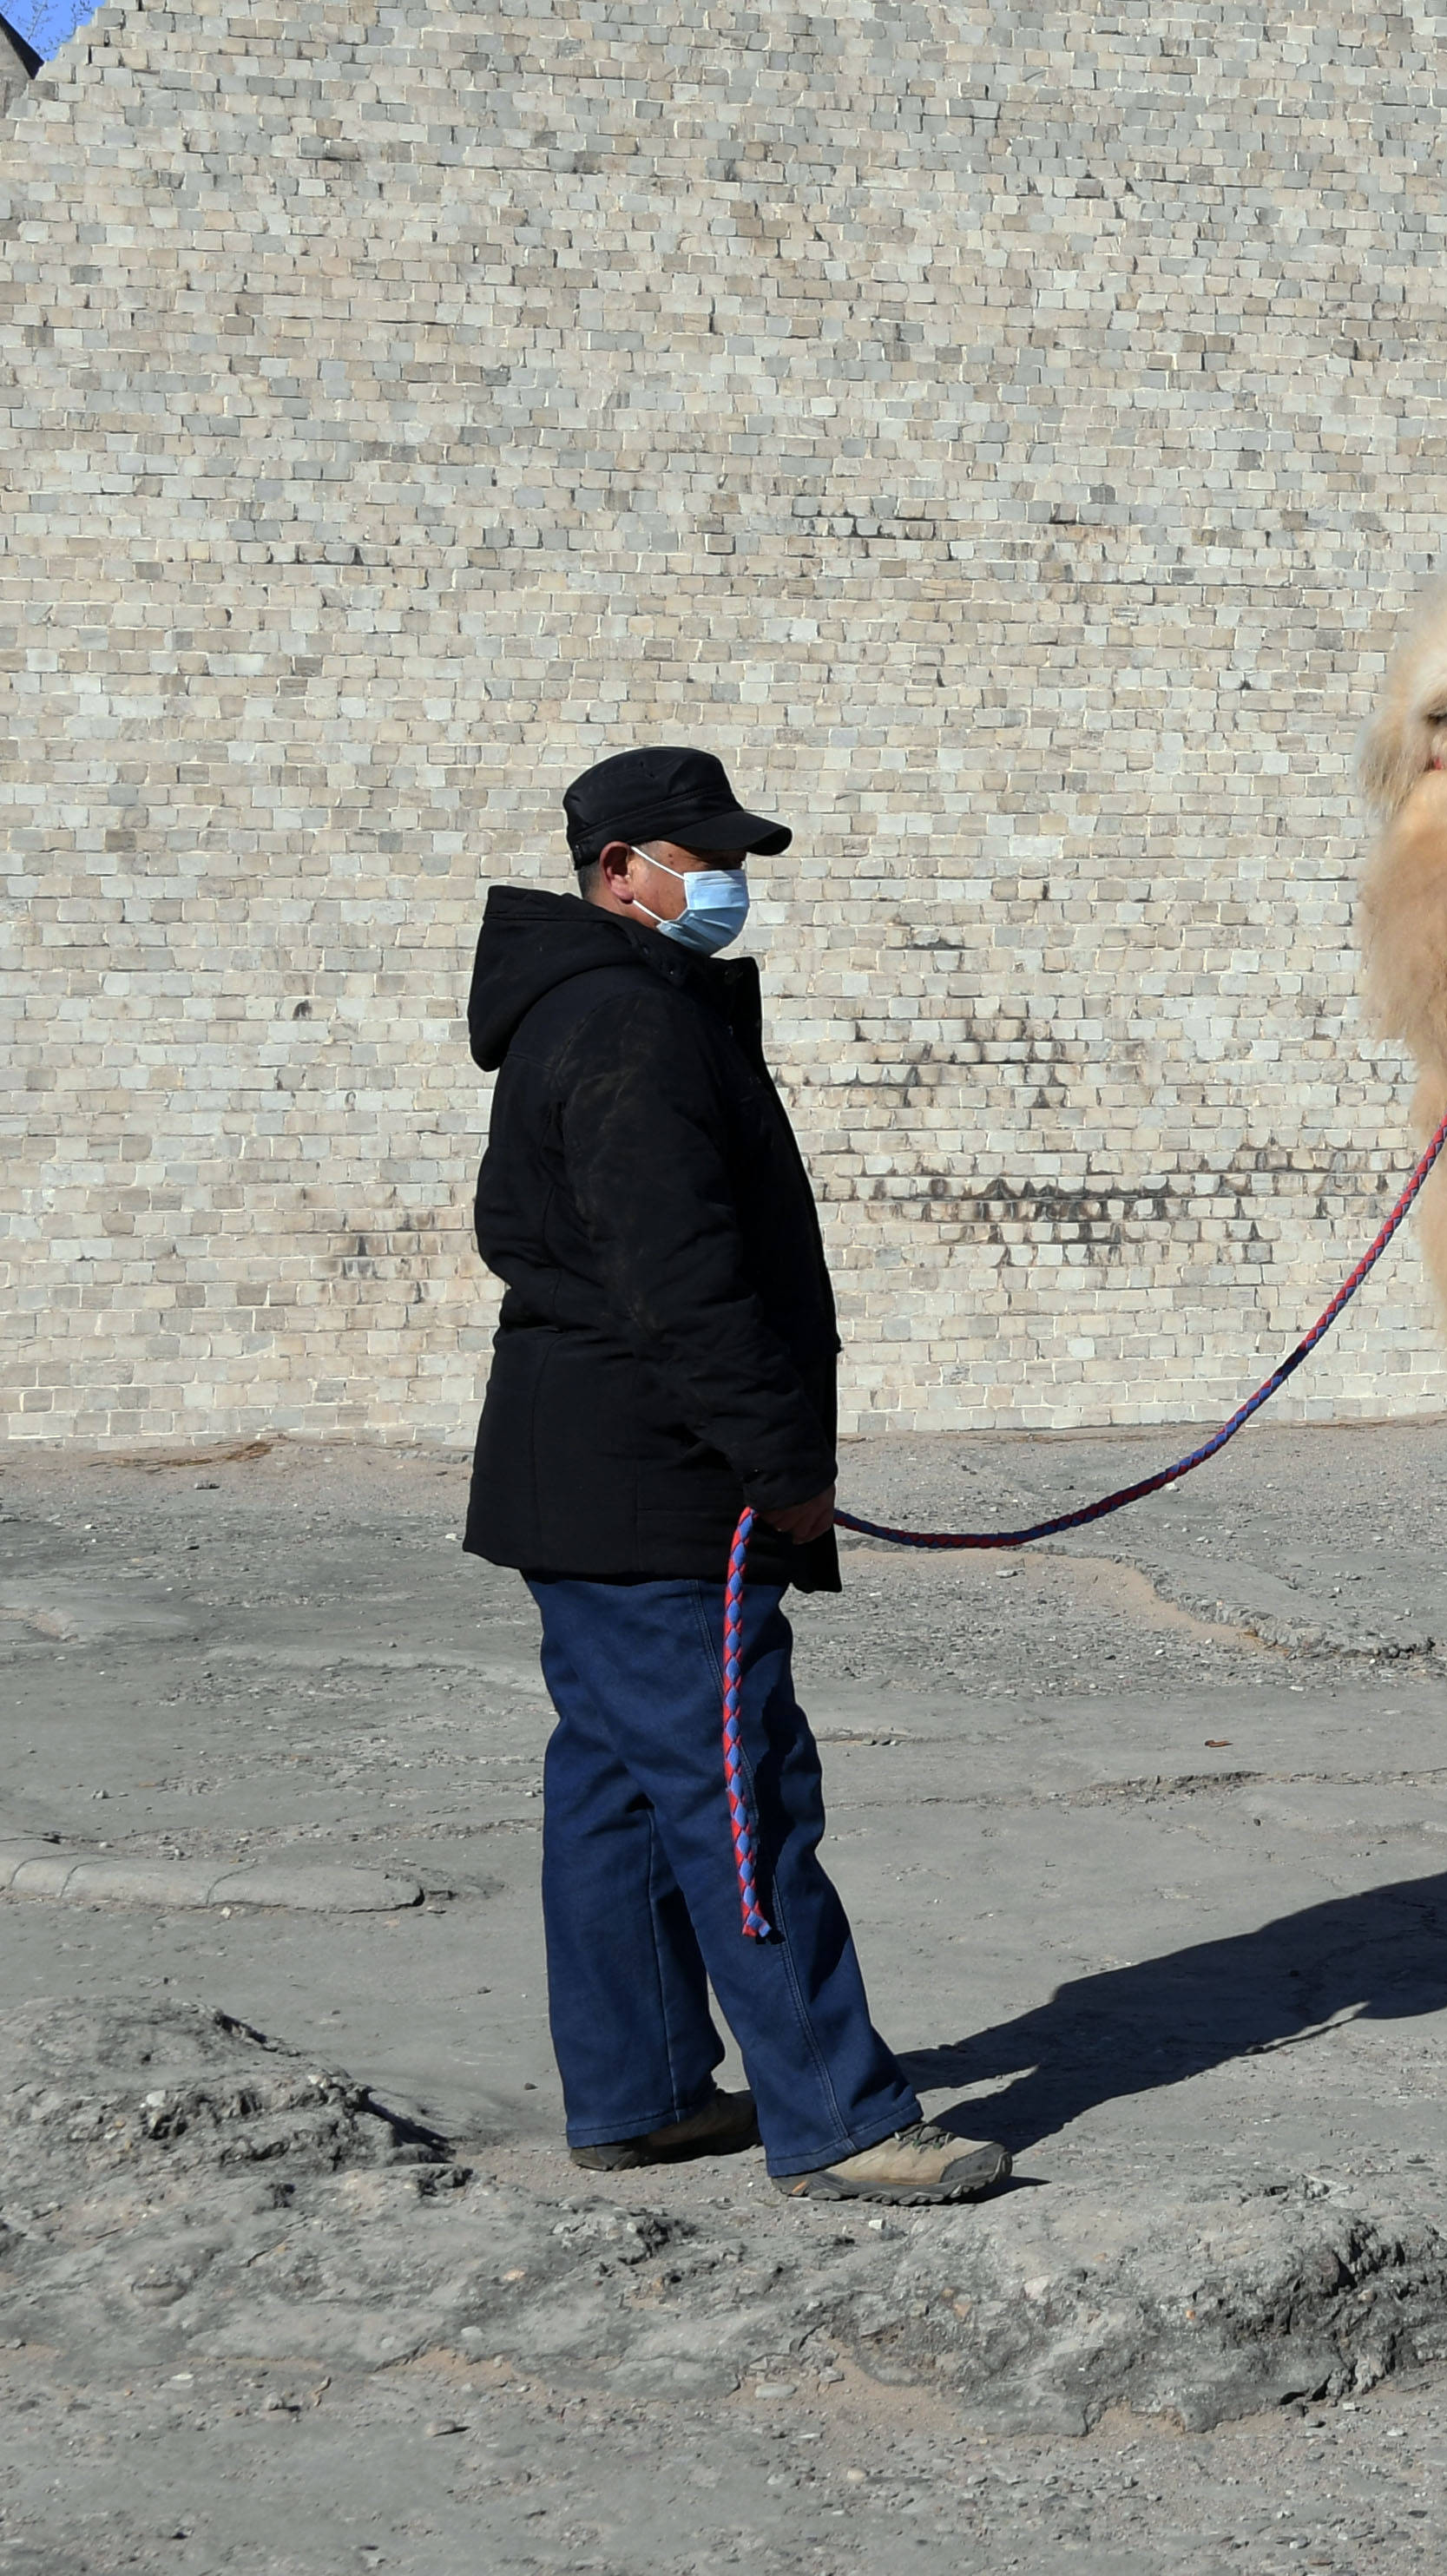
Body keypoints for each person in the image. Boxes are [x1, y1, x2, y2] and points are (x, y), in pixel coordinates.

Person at [461, 746, 1007, 2207]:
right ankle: (834, 2113)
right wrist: (782, 1466)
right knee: (736, 1785)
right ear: (621, 869)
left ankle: (636, 2091)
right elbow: (681, 1283)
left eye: (737, 858)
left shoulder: (596, 1007)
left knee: (619, 1788)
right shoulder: (630, 1028)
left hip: (575, 1470)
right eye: (704, 860)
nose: (731, 884)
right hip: (656, 1479)